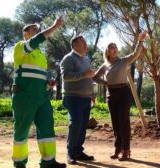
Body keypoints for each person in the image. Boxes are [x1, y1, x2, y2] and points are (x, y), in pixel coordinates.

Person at [11, 16, 66, 168]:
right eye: (33, 30)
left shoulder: (41, 56)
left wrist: (47, 83)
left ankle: (48, 162)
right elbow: (36, 41)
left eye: (37, 30)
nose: (37, 32)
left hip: (41, 97)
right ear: (25, 34)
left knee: (47, 127)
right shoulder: (20, 47)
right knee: (21, 131)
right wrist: (54, 27)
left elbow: (35, 75)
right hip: (24, 97)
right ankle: (19, 163)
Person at [93, 31, 146, 161]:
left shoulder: (123, 61)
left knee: (124, 121)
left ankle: (126, 150)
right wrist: (105, 83)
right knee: (115, 123)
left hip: (124, 93)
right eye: (112, 47)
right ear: (107, 51)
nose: (114, 48)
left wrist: (140, 41)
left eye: (116, 46)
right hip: (111, 94)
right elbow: (95, 77)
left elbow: (135, 54)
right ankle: (118, 148)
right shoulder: (105, 65)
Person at [60, 35, 95, 165]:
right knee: (76, 123)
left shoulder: (85, 59)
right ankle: (70, 153)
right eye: (82, 42)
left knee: (82, 126)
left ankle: (78, 151)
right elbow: (66, 76)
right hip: (72, 97)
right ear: (74, 45)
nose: (86, 44)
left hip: (86, 98)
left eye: (85, 41)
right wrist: (84, 74)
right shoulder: (68, 58)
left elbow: (89, 78)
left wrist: (92, 93)